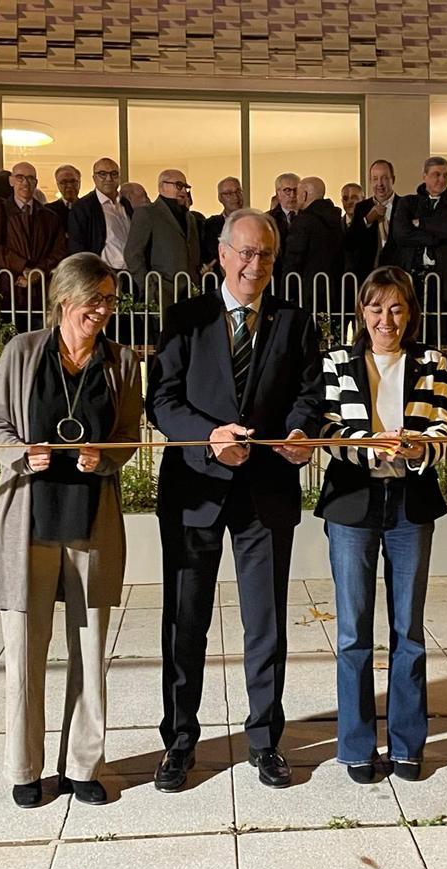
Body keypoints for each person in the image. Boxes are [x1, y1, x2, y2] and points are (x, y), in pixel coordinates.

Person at [149, 208, 323, 793]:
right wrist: (209, 441)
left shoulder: (296, 322)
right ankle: (178, 741)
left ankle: (265, 739)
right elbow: (163, 402)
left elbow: (309, 395)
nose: (255, 265)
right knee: (185, 621)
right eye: (245, 253)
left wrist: (299, 435)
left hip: (266, 491)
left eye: (266, 255)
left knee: (265, 623)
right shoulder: (185, 318)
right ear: (221, 255)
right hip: (195, 488)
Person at [0, 251, 143, 809]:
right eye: (93, 300)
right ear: (64, 299)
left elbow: (130, 434)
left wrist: (105, 458)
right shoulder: (22, 351)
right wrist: (23, 455)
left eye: (109, 300)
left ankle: (83, 765)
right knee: (25, 652)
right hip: (29, 519)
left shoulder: (121, 361)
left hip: (90, 522)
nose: (101, 311)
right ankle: (24, 768)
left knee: (90, 647)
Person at [316, 266, 447, 784]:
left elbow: (444, 421)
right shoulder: (336, 362)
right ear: (361, 312)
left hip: (410, 502)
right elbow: (325, 426)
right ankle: (354, 745)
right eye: (375, 308)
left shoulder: (433, 361)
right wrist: (364, 445)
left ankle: (407, 744)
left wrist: (422, 446)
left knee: (408, 630)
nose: (385, 318)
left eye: (396, 308)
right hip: (353, 501)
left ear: (409, 313)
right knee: (353, 631)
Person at [393, 156, 447, 346]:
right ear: (425, 176)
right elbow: (401, 234)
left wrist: (421, 223)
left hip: (445, 275)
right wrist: (438, 234)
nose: (441, 180)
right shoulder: (408, 203)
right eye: (436, 175)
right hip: (414, 273)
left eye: (445, 175)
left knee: (443, 322)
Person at [0, 162, 67, 313]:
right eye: (20, 178)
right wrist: (23, 267)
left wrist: (37, 272)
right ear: (11, 181)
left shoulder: (50, 217)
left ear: (36, 182)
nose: (25, 183)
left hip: (40, 295)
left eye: (30, 178)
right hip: (7, 292)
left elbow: (59, 252)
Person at [124, 168, 200, 305]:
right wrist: (148, 286)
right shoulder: (147, 214)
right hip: (160, 290)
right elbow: (133, 253)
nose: (183, 191)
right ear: (162, 187)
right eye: (179, 185)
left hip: (188, 290)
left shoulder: (189, 218)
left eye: (186, 187)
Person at [282, 176, 345, 311]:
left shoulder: (303, 222)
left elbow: (293, 260)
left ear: (304, 195)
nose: (295, 197)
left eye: (298, 193)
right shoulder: (336, 220)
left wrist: (285, 293)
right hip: (334, 292)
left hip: (308, 293)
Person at [67, 158, 132, 271]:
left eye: (114, 174)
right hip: (102, 273)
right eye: (102, 174)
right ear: (94, 178)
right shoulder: (83, 207)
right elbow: (77, 246)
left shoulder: (125, 204)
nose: (109, 178)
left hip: (130, 274)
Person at [344, 160, 401, 283]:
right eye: (375, 179)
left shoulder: (405, 205)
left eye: (385, 178)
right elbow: (350, 242)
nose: (379, 184)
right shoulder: (361, 207)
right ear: (370, 181)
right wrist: (367, 219)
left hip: (398, 274)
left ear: (393, 179)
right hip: (368, 276)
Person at [46, 164, 81, 233]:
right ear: (58, 185)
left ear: (79, 183)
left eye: (73, 181)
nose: (69, 186)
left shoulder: (90, 209)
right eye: (64, 182)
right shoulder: (48, 211)